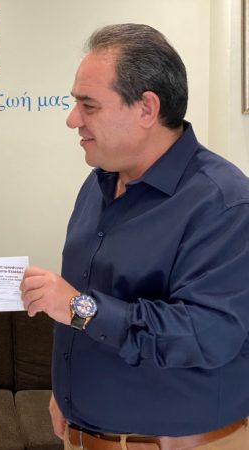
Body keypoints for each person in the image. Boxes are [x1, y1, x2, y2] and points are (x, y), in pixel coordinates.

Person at [20, 24, 249, 449]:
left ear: (146, 108)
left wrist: (79, 309)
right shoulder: (98, 185)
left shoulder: (223, 202)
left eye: (88, 106)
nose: (72, 120)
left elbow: (208, 334)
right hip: (83, 434)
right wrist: (67, 390)